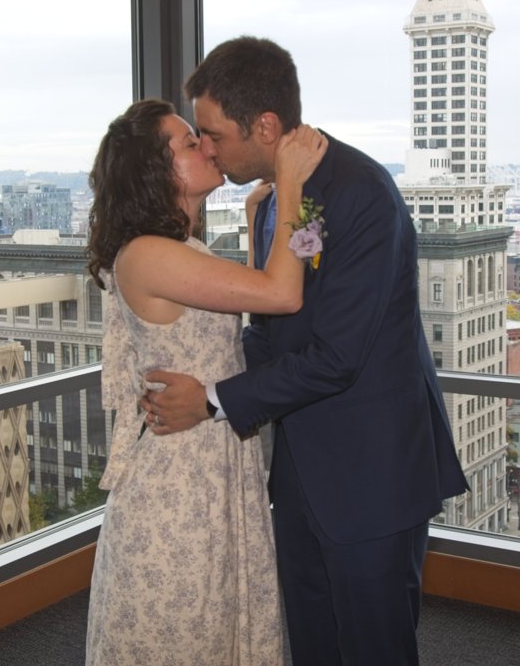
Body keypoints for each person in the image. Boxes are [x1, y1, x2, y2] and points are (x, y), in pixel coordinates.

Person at [143, 36, 469, 666]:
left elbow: (336, 356)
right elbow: (273, 326)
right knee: (313, 646)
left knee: (376, 650)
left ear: (264, 125)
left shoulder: (364, 193)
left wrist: (212, 401)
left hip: (373, 477)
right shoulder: (273, 202)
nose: (206, 147)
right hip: (300, 478)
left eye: (212, 133)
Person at [83, 97, 327, 666]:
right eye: (189, 143)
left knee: (217, 621)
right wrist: (290, 186)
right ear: (157, 171)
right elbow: (281, 293)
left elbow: (245, 306)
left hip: (209, 461)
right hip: (179, 482)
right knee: (186, 630)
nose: (207, 146)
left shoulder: (178, 252)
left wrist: (254, 223)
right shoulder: (147, 255)